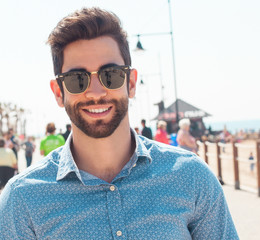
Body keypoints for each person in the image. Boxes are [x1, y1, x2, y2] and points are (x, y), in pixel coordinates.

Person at [0, 7, 238, 239]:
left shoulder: (191, 176)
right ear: (58, 92)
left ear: (131, 83)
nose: (95, 93)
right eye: (77, 79)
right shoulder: (22, 200)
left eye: (110, 75)